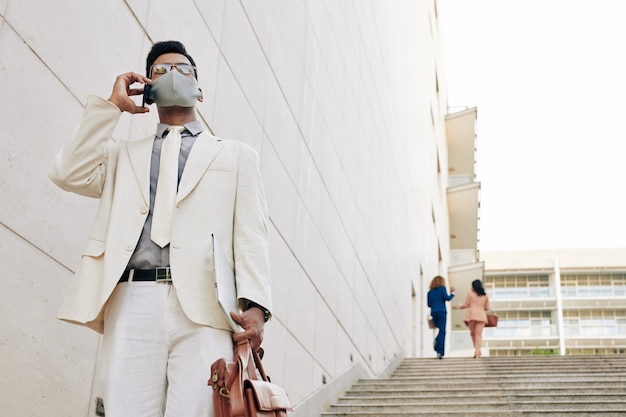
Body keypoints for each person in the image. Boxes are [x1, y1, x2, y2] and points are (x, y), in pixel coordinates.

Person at [49, 40, 273, 417]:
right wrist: (112, 108)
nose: (174, 75)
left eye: (185, 70)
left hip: (206, 306)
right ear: (148, 90)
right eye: (161, 70)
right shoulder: (121, 155)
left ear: (199, 91)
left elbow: (251, 234)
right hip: (132, 298)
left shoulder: (236, 156)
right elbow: (68, 172)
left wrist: (256, 307)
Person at [459, 279, 491, 358]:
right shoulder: (485, 295)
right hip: (481, 317)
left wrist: (460, 306)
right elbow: (487, 308)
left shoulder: (470, 294)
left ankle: (477, 351)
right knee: (478, 335)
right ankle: (477, 351)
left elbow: (466, 304)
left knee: (473, 334)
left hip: (471, 316)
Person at [427, 275, 455, 359]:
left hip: (433, 312)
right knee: (442, 331)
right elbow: (447, 298)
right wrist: (452, 293)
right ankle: (440, 351)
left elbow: (428, 304)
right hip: (442, 312)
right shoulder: (442, 288)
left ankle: (437, 344)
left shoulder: (430, 292)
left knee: (440, 331)